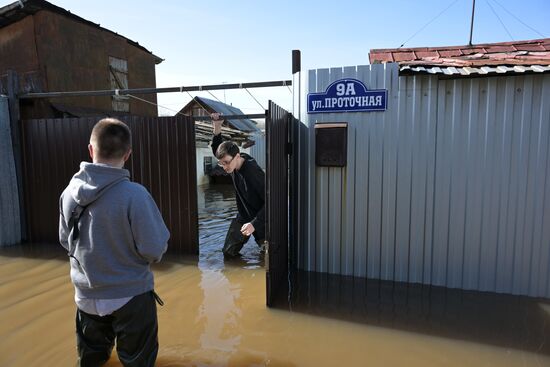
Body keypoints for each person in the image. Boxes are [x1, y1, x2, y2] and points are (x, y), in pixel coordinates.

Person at [59, 118, 169, 367]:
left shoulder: (68, 194)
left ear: (90, 150)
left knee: (91, 361)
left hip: (86, 296)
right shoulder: (135, 195)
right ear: (128, 154)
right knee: (137, 361)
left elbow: (66, 242)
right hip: (131, 296)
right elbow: (153, 249)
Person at [211, 113, 266, 257]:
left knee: (266, 260)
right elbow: (218, 149)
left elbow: (272, 202)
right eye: (221, 163)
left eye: (226, 163)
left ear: (237, 156)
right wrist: (217, 126)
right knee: (228, 253)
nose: (223, 167)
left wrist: (254, 224)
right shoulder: (232, 164)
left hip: (262, 221)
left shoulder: (253, 172)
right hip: (243, 216)